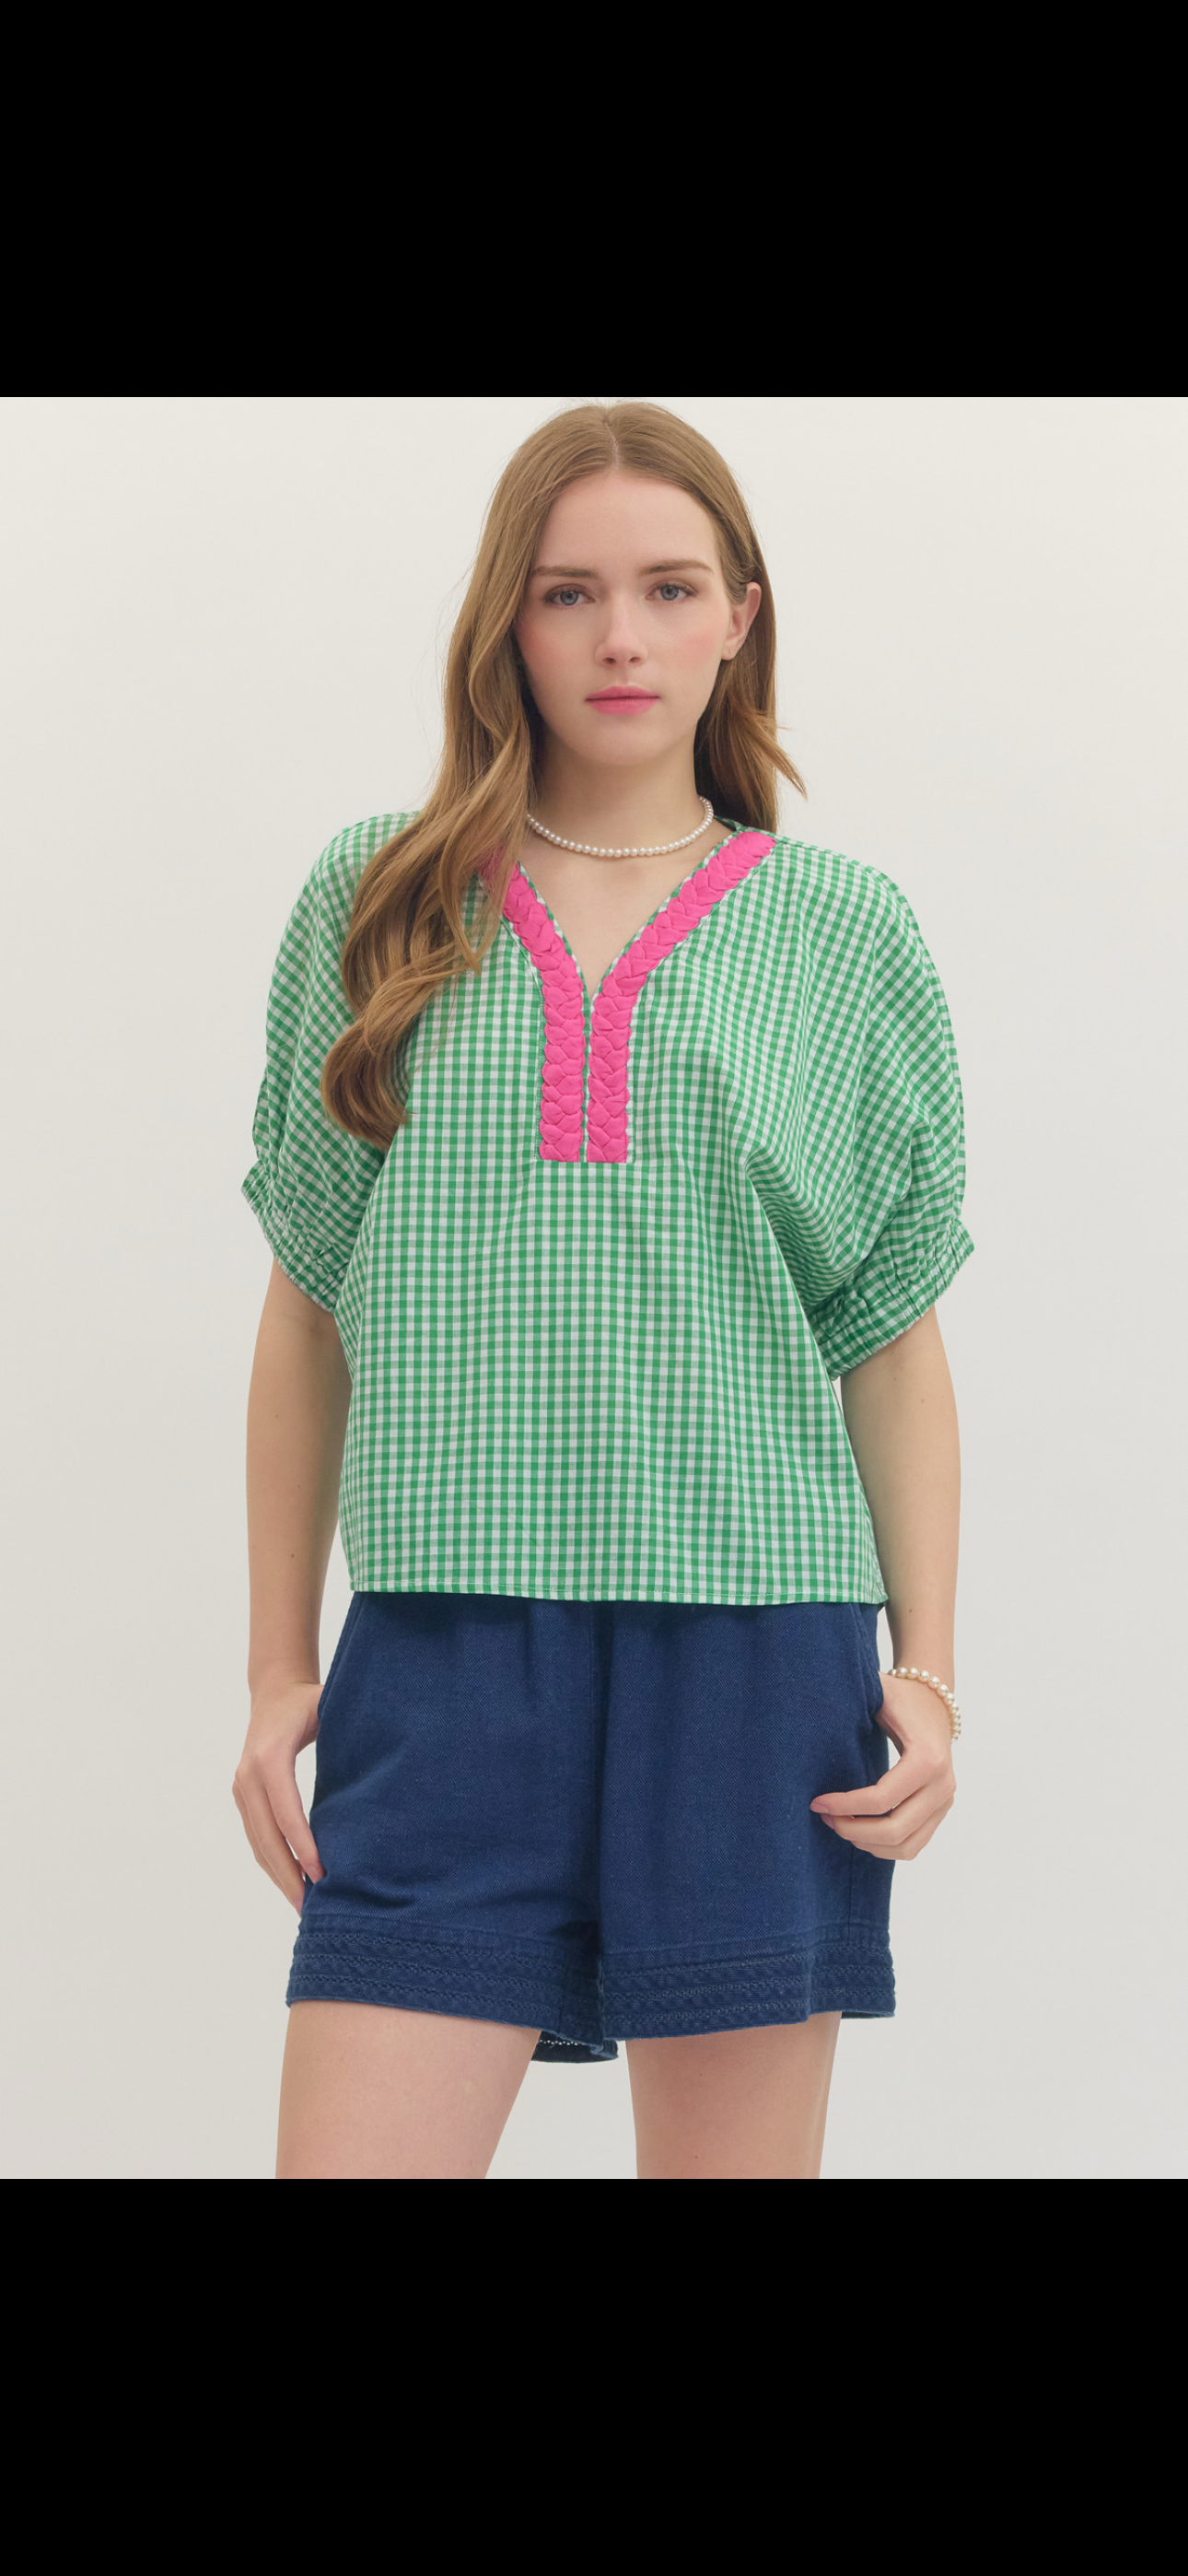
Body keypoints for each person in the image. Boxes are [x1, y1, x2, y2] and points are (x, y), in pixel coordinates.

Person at [234, 401, 973, 2180]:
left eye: (667, 588)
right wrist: (275, 1666)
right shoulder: (376, 899)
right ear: (509, 618)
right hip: (442, 1650)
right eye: (568, 593)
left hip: (758, 1658)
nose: (619, 638)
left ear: (739, 616)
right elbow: (308, 1309)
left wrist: (930, 1670)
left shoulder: (846, 933)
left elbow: (888, 1341)